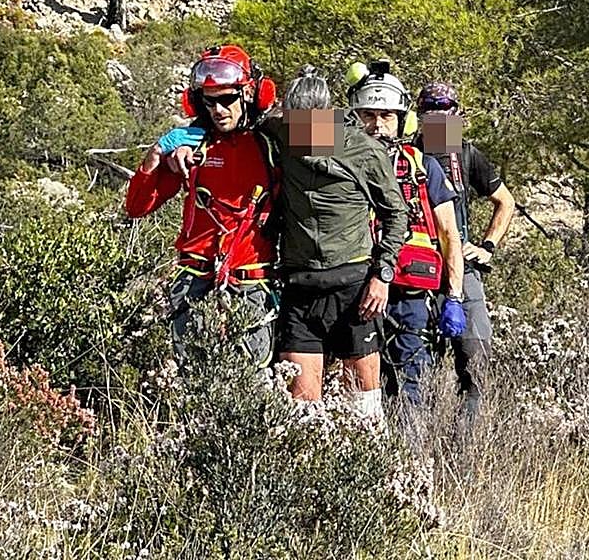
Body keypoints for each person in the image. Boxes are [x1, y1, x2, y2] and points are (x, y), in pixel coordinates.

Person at [124, 45, 280, 366]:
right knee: (190, 374)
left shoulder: (273, 139)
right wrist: (157, 154)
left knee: (250, 379)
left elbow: (342, 137)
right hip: (193, 280)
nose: (218, 109)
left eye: (226, 99)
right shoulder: (192, 144)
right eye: (209, 101)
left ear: (249, 94)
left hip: (252, 284)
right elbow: (137, 207)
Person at [274, 68, 410, 423]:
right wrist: (175, 143)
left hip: (354, 289)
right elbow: (230, 126)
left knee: (364, 412)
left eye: (309, 125)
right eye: (294, 124)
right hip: (299, 288)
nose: (301, 134)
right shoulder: (279, 134)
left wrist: (382, 275)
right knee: (299, 416)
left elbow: (397, 214)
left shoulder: (362, 150)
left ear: (326, 117)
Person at [345, 60, 466, 407]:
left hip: (412, 296)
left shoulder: (422, 165)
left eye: (387, 116)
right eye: (368, 115)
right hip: (358, 294)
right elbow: (285, 133)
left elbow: (449, 235)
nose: (377, 125)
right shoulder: (338, 159)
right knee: (363, 390)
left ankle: (412, 459)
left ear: (403, 120)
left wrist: (454, 298)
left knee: (412, 388)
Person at [415, 80, 515, 422]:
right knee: (413, 369)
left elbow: (505, 201)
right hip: (416, 273)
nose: (439, 122)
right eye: (431, 114)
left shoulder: (467, 153)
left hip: (465, 272)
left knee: (476, 363)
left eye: (445, 114)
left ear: (457, 116)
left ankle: (467, 448)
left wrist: (487, 247)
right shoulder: (408, 153)